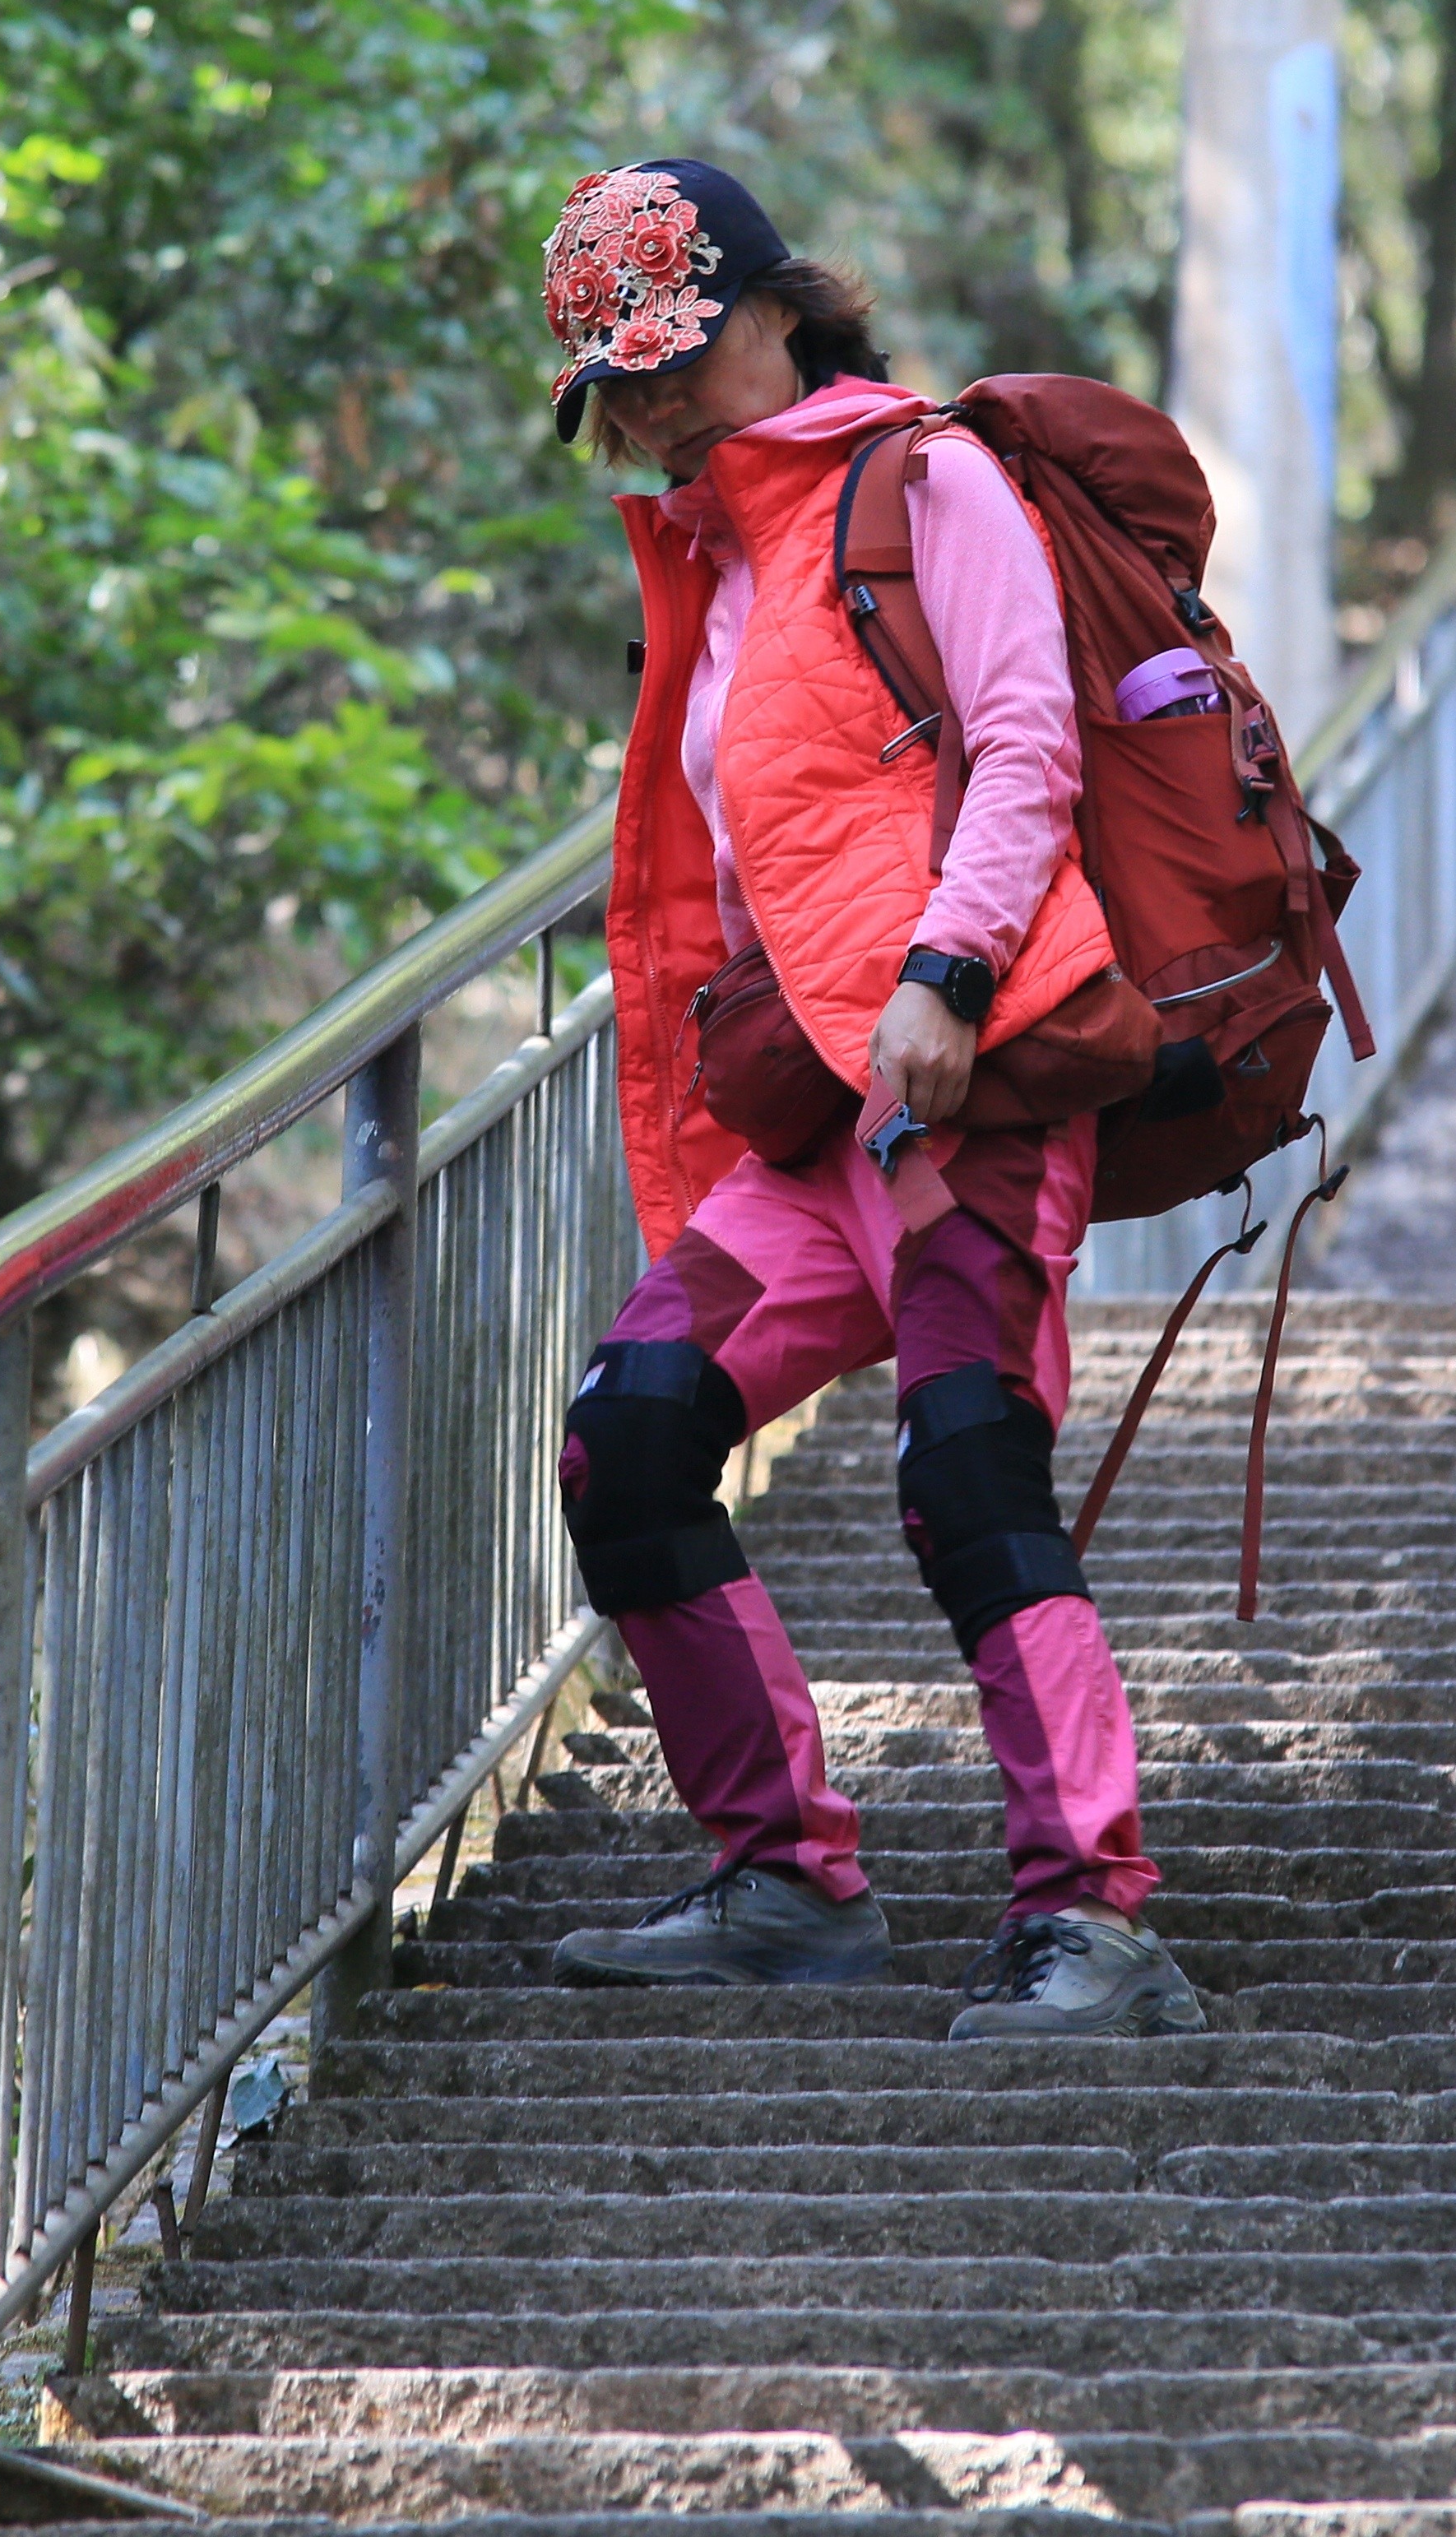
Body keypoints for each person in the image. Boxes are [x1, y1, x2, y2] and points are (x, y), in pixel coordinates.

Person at [536, 156, 1205, 2043]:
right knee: (632, 1434)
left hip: (967, 1091)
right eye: (619, 383)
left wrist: (947, 972)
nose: (652, 405)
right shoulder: (724, 553)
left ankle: (1095, 1919)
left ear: (779, 310)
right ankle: (782, 1880)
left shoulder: (929, 482)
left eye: (673, 357)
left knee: (964, 1462)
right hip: (813, 1121)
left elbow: (1027, 744)